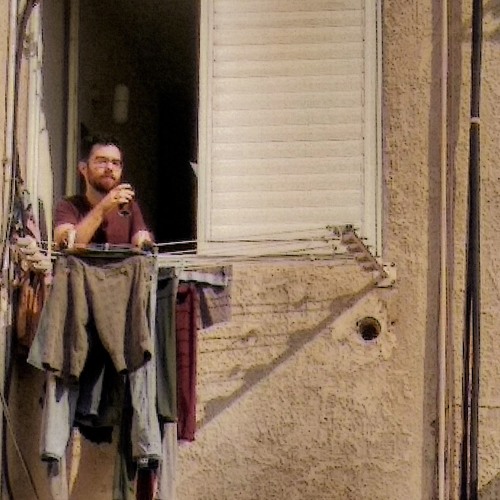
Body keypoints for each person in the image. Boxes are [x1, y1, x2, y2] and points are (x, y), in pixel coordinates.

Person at [54, 133, 152, 249]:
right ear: (83, 168)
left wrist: (144, 241)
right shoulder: (68, 206)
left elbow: (142, 241)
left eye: (115, 163)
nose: (109, 168)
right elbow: (67, 245)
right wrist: (103, 207)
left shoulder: (129, 207)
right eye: (102, 161)